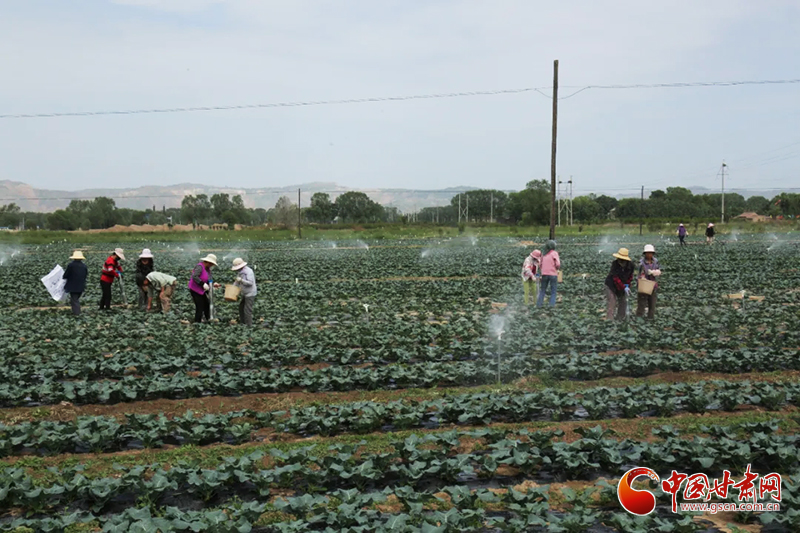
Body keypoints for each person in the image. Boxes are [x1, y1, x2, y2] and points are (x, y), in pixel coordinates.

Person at [188, 254, 220, 323]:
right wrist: (202, 284)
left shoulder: (207, 269)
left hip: (202, 290)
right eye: (212, 264)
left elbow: (208, 279)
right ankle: (197, 322)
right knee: (200, 306)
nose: (212, 265)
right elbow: (195, 276)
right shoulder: (200, 267)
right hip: (195, 289)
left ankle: (208, 319)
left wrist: (213, 284)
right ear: (208, 262)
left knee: (206, 304)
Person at [604, 248, 634, 321]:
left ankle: (620, 319)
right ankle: (609, 321)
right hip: (611, 286)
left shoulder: (631, 266)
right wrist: (623, 287)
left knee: (623, 302)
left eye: (622, 260)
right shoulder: (615, 264)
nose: (620, 261)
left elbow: (630, 276)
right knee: (612, 302)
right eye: (619, 259)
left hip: (622, 286)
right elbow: (615, 278)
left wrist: (627, 285)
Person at [636, 244, 662, 319]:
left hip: (653, 285)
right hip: (643, 285)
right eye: (647, 253)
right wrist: (643, 276)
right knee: (642, 304)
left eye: (650, 253)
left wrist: (656, 272)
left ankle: (650, 319)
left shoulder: (655, 261)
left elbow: (659, 270)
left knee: (652, 304)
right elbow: (640, 274)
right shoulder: (641, 263)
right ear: (645, 254)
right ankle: (639, 319)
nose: (649, 254)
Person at [231, 258, 257, 325]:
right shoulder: (240, 272)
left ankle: (249, 325)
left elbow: (250, 283)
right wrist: (232, 287)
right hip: (244, 293)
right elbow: (237, 281)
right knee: (241, 308)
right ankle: (243, 323)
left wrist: (241, 280)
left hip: (250, 293)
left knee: (247, 310)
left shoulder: (249, 271)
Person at [63, 250, 88, 316]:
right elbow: (85, 275)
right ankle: (76, 312)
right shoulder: (84, 266)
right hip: (81, 286)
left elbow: (65, 275)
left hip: (73, 286)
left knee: (74, 300)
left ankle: (77, 313)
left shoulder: (71, 265)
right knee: (75, 299)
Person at [537, 240, 561, 308]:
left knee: (543, 290)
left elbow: (540, 264)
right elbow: (558, 264)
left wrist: (543, 270)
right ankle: (551, 305)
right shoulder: (554, 253)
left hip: (544, 274)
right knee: (553, 291)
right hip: (553, 274)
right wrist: (556, 268)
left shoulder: (543, 254)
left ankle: (539, 304)